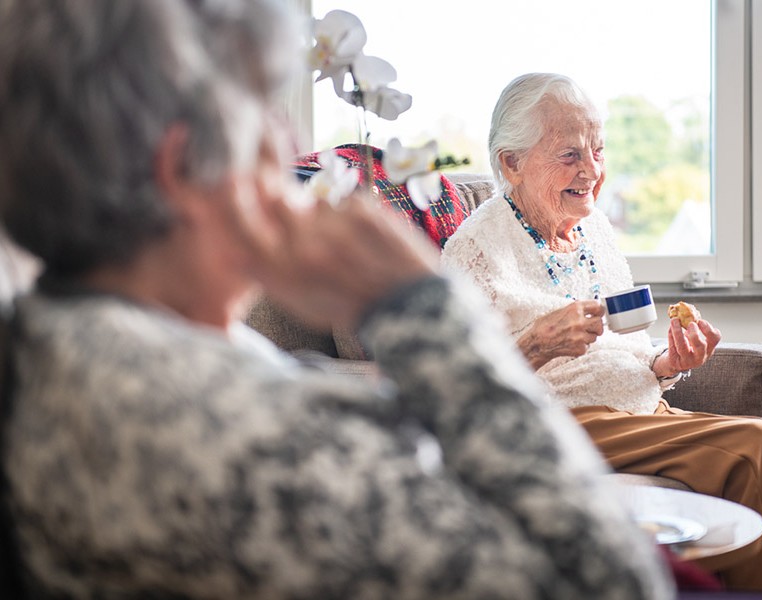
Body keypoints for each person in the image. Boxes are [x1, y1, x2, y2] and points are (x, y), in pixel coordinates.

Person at [0, 3, 674, 599]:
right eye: (261, 116)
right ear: (181, 170)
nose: (288, 152)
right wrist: (424, 309)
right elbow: (612, 582)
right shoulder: (224, 430)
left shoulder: (55, 342)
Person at [441, 72, 762, 594]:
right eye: (570, 155)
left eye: (599, 151)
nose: (593, 171)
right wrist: (535, 345)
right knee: (760, 446)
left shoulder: (594, 230)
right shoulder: (474, 249)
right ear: (511, 163)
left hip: (639, 411)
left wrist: (667, 363)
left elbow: (623, 347)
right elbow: (454, 391)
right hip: (562, 420)